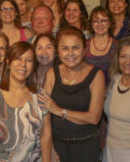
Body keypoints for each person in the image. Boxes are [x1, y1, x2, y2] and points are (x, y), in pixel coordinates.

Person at [40, 26, 105, 162]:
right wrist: (50, 149)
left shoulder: (96, 75)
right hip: (57, 147)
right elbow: (43, 117)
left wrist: (60, 111)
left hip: (86, 148)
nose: (70, 53)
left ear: (84, 50)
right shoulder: (52, 73)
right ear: (58, 51)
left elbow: (94, 117)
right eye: (65, 48)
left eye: (75, 47)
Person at [0, 41, 52, 161]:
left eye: (29, 60)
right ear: (8, 62)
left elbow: (46, 136)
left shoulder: (40, 95)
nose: (23, 65)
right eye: (18, 59)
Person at [104, 37, 130, 162]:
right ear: (117, 59)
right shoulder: (115, 79)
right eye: (123, 56)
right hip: (109, 150)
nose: (127, 61)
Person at [86, 6, 117, 86]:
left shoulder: (117, 46)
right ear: (91, 24)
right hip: (87, 90)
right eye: (96, 21)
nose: (100, 24)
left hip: (110, 91)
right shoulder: (84, 45)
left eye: (103, 20)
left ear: (109, 23)